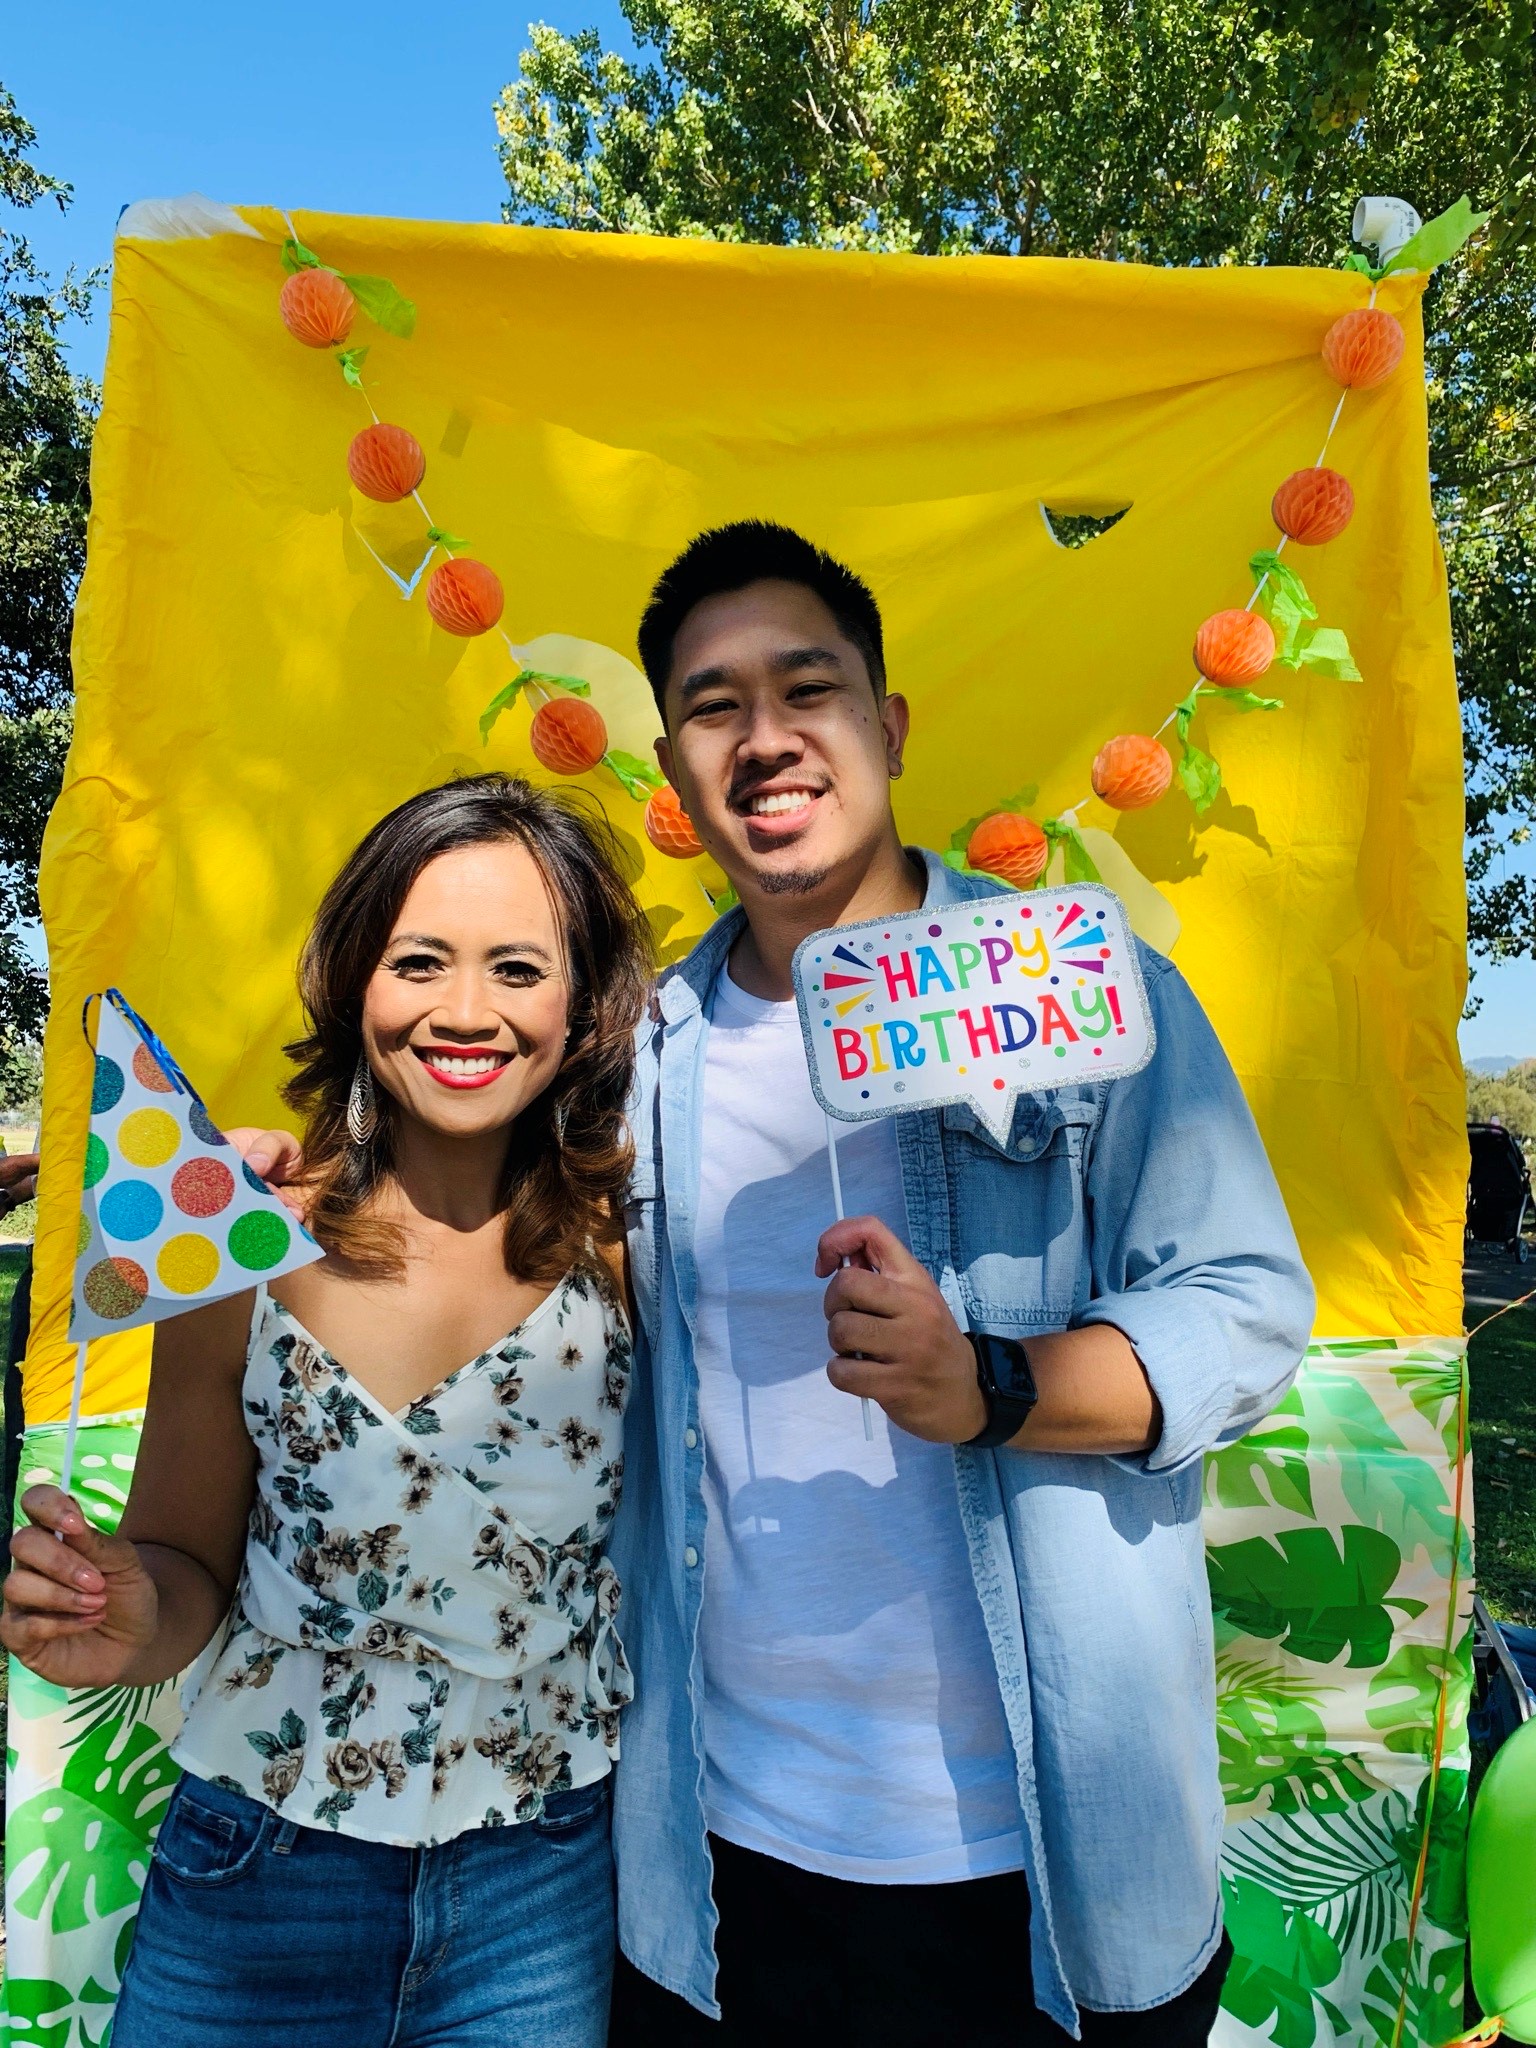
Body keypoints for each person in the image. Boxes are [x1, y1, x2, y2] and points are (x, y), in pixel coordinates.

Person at [221, 524, 1316, 2045]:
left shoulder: (1072, 982)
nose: (766, 737)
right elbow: (457, 1169)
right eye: (716, 705)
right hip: (716, 1875)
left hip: (1055, 1869)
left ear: (889, 726)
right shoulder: (634, 1054)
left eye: (808, 688)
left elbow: (1246, 1304)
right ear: (674, 768)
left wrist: (994, 1385)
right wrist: (287, 1183)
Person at [1, 774, 652, 2048]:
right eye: (421, 961)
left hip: (541, 1884)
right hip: (256, 1876)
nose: (466, 1011)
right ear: (357, 981)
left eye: (518, 967)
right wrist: (125, 1615)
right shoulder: (240, 1244)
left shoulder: (629, 1254)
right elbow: (182, 1563)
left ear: (581, 1006)